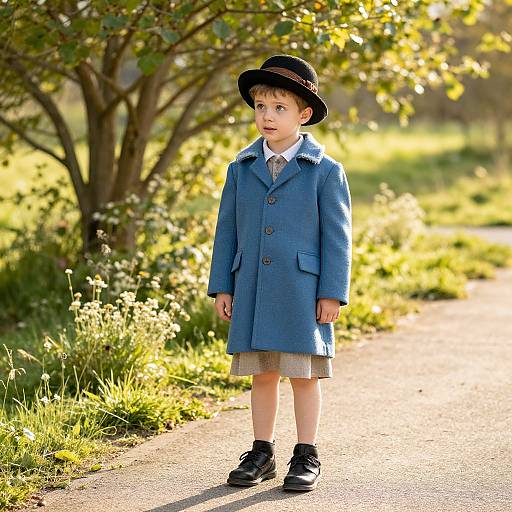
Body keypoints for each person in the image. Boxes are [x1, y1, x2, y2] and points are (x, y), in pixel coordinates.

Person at [207, 54, 352, 492]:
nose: (267, 116)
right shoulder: (241, 168)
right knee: (262, 373)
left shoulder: (325, 171)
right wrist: (222, 286)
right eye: (260, 107)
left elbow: (338, 237)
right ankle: (261, 452)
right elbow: (226, 230)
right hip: (251, 287)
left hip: (302, 289)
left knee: (304, 375)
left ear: (304, 114)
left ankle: (307, 454)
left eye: (279, 108)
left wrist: (332, 292)